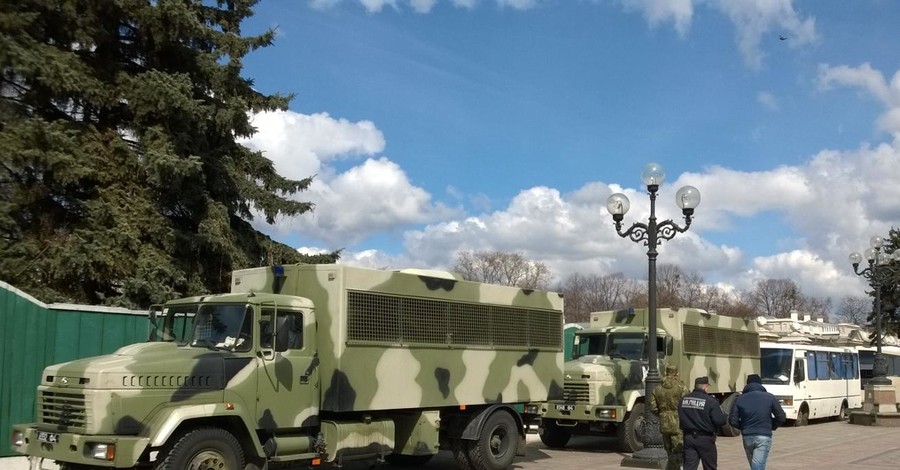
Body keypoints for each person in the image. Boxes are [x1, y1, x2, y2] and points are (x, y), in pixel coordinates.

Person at [728, 374, 787, 470]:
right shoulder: (770, 397)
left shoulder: (740, 399)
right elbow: (781, 417)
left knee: (755, 466)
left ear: (747, 384)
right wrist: (772, 426)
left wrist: (744, 427)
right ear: (760, 383)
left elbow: (732, 420)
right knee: (757, 466)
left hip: (747, 436)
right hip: (764, 436)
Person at [678, 376, 726, 470]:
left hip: (688, 438)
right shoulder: (710, 401)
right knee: (709, 466)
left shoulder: (683, 399)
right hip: (706, 439)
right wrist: (725, 416)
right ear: (705, 387)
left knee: (689, 466)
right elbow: (719, 420)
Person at [650, 364, 690, 470]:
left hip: (664, 423)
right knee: (678, 449)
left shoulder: (657, 389)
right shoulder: (681, 387)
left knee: (668, 449)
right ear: (677, 373)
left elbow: (653, 407)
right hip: (678, 422)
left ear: (666, 373)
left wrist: (662, 414)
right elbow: (687, 404)